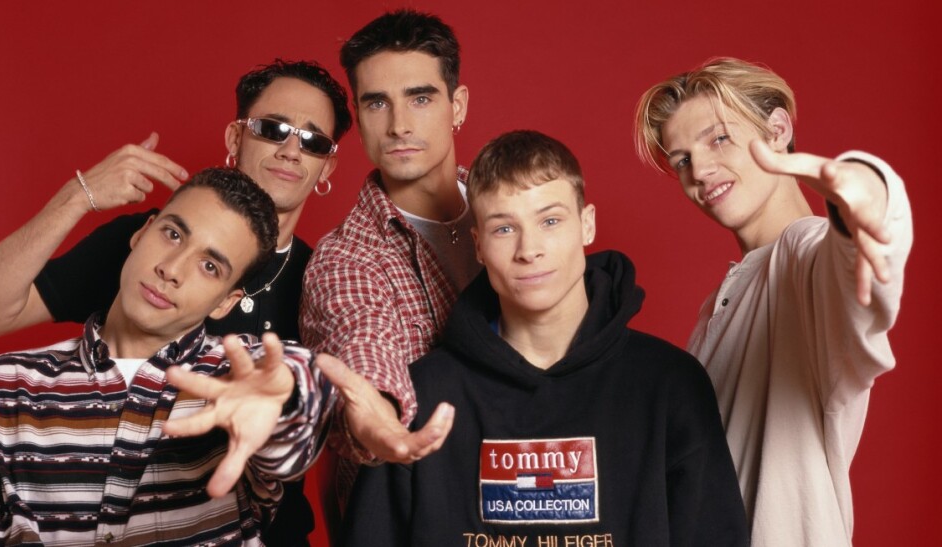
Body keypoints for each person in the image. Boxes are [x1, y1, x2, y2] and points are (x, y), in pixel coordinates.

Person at [0, 58, 352, 546]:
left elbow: (329, 418)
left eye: (312, 141)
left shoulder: (327, 276)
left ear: (327, 165)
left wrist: (287, 397)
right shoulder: (148, 249)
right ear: (235, 137)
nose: (290, 150)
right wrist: (77, 195)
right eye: (273, 129)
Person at [341, 130, 749, 546]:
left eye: (550, 221)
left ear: (586, 225)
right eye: (504, 229)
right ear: (478, 246)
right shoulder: (420, 395)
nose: (529, 249)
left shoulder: (671, 385)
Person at [633, 58, 913, 546]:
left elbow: (853, 276)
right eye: (681, 160)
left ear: (778, 130)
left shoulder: (804, 258)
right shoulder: (721, 303)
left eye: (719, 138)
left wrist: (866, 202)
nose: (700, 170)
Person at [300, 9, 476, 504]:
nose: (399, 125)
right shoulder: (345, 259)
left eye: (420, 98)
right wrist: (378, 420)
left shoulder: (514, 212)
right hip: (418, 507)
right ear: (358, 119)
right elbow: (361, 338)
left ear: (457, 106)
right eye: (377, 103)